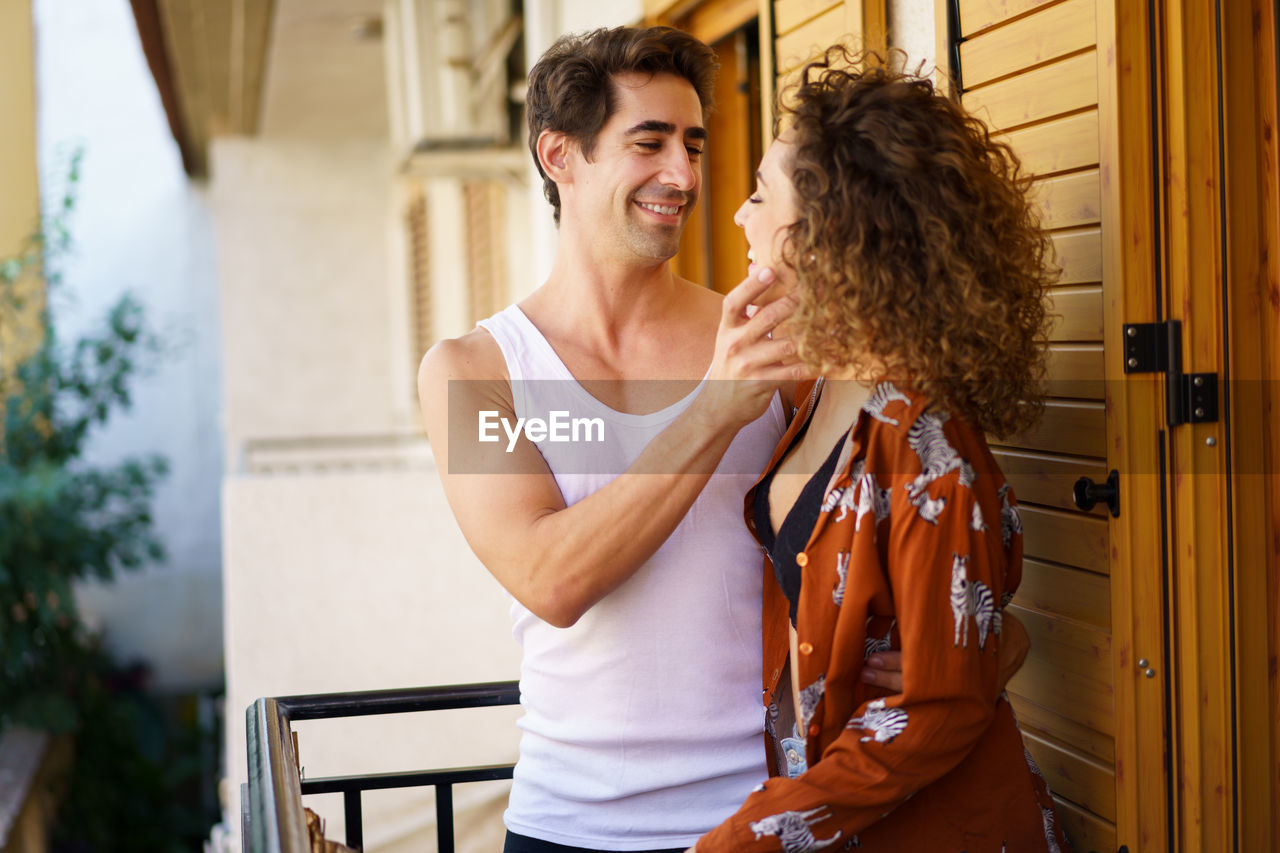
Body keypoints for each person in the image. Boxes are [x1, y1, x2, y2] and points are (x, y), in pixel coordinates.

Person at [420, 26, 1023, 853]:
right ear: (559, 155)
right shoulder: (471, 371)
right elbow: (548, 579)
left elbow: (893, 520)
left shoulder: (779, 334)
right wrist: (711, 408)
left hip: (771, 812)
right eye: (650, 142)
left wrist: (985, 648)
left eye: (694, 145)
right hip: (569, 822)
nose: (685, 175)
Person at [688, 49, 1069, 852]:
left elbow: (940, 710)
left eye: (760, 194)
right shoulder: (821, 388)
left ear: (829, 232)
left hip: (934, 827)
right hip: (839, 812)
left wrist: (740, 839)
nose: (738, 216)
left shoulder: (923, 433)